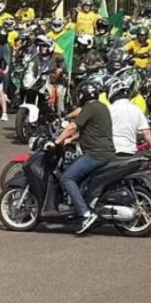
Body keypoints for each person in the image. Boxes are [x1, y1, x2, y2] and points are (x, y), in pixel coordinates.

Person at [52, 81, 115, 234]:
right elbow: (90, 129)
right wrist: (70, 139)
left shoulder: (90, 108)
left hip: (95, 154)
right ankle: (80, 206)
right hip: (105, 152)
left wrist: (57, 141)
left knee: (67, 178)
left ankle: (85, 214)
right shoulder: (101, 107)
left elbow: (73, 126)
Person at [108, 78, 151, 154]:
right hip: (130, 151)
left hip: (111, 151)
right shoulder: (136, 109)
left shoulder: (109, 110)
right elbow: (146, 131)